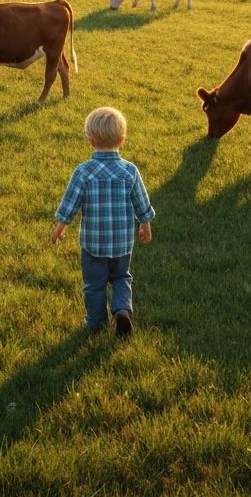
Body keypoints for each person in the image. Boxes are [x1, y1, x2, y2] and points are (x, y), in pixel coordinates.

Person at [51, 106, 155, 335]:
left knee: (94, 284)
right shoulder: (129, 171)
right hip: (121, 243)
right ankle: (122, 310)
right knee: (121, 277)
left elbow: (71, 202)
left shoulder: (84, 172)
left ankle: (96, 321)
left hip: (93, 244)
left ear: (91, 140)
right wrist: (145, 224)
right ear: (122, 139)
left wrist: (60, 226)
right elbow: (141, 200)